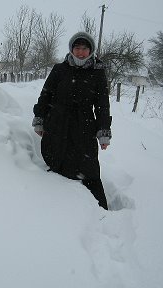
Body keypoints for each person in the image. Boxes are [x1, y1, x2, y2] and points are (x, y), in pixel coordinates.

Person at [32, 31, 112, 210]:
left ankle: (101, 209)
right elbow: (46, 95)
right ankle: (61, 200)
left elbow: (102, 105)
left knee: (88, 168)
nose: (81, 52)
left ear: (90, 50)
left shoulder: (97, 73)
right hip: (56, 123)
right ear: (71, 49)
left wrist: (103, 132)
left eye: (84, 49)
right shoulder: (60, 69)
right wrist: (40, 118)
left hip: (83, 126)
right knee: (56, 158)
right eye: (77, 48)